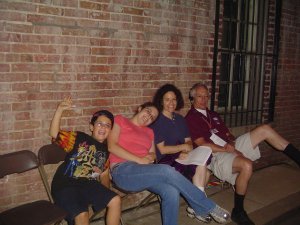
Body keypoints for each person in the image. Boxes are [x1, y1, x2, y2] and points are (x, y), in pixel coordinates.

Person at [185, 83, 300, 225]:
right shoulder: (191, 118)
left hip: (229, 146)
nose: (204, 99)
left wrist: (232, 143)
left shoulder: (212, 114)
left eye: (206, 96)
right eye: (199, 96)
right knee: (247, 165)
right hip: (215, 155)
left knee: (264, 129)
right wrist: (227, 149)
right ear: (192, 98)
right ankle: (238, 211)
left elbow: (227, 134)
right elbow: (202, 143)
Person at [108, 102, 230, 225]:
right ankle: (207, 206)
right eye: (148, 111)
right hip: (123, 171)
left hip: (144, 171)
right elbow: (112, 146)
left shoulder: (149, 132)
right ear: (140, 108)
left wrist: (149, 158)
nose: (149, 116)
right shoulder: (120, 120)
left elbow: (153, 155)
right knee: (166, 170)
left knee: (171, 191)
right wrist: (139, 159)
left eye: (152, 117)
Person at [49, 97, 121, 225]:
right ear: (91, 127)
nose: (103, 127)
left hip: (86, 184)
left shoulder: (105, 152)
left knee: (115, 200)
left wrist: (104, 194)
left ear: (110, 131)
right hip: (66, 183)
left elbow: (104, 175)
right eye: (99, 123)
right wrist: (60, 109)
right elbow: (54, 133)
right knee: (82, 214)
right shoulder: (79, 137)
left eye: (107, 125)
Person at [151, 84, 211, 223]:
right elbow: (162, 149)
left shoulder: (180, 119)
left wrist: (185, 149)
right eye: (167, 99)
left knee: (203, 161)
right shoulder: (157, 121)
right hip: (166, 161)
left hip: (183, 157)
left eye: (174, 99)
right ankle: (199, 206)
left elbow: (189, 142)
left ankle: (195, 206)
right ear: (161, 101)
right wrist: (182, 148)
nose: (171, 103)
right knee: (204, 173)